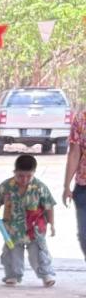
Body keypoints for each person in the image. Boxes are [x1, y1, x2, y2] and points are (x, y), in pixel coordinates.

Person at [0, 153, 56, 288]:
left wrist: (52, 224)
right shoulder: (6, 186)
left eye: (29, 176)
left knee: (39, 253)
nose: (24, 179)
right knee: (12, 253)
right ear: (14, 172)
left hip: (35, 228)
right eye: (20, 176)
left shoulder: (40, 187)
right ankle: (12, 275)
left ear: (34, 173)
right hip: (12, 228)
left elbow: (49, 206)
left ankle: (46, 275)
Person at [64, 108, 86, 261]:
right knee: (84, 234)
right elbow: (74, 153)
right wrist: (66, 186)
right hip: (83, 187)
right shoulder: (81, 117)